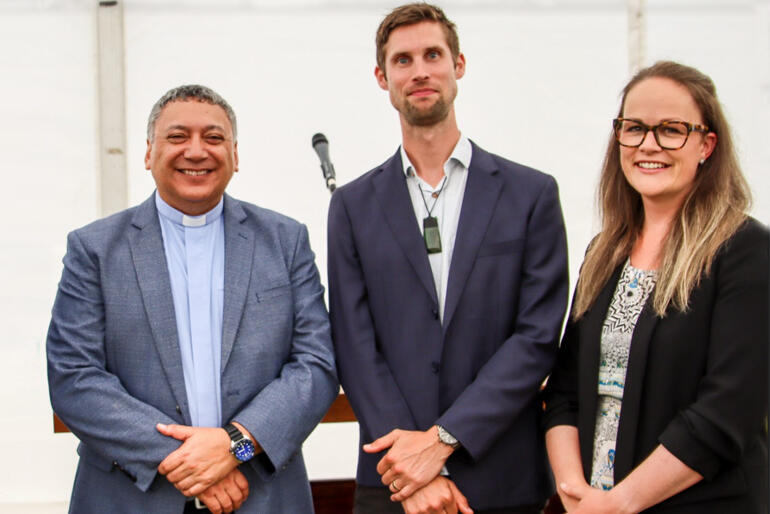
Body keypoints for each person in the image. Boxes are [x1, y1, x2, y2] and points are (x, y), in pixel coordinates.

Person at [47, 85, 338, 513]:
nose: (196, 151)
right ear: (149, 153)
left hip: (261, 494)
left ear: (235, 156)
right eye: (178, 136)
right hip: (130, 498)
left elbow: (316, 365)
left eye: (214, 138)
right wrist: (182, 460)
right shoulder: (94, 250)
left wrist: (235, 447)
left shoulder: (284, 241)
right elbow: (73, 376)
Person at [327, 3, 569, 513]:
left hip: (501, 477)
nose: (419, 71)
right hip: (392, 481)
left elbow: (538, 336)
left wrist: (443, 440)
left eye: (433, 55)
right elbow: (354, 343)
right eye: (403, 60)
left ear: (458, 65)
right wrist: (411, 468)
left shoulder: (531, 194)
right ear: (382, 77)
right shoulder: (350, 206)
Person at [542, 61, 769, 513]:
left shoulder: (745, 252)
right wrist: (576, 494)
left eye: (671, 129)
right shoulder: (603, 253)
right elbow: (564, 392)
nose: (649, 144)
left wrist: (619, 504)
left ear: (706, 145)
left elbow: (724, 415)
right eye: (635, 128)